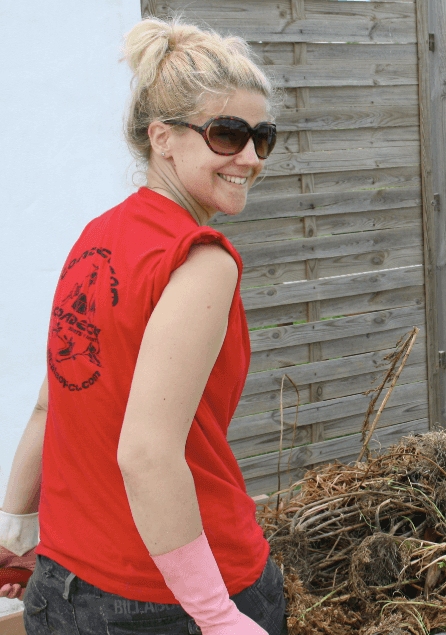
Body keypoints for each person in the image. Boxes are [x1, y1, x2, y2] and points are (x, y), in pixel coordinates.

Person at [0, 16, 287, 634]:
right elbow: (147, 453)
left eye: (262, 137)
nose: (249, 157)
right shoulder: (200, 258)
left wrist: (14, 526)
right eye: (226, 133)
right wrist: (215, 616)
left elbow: (54, 404)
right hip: (171, 601)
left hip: (61, 590)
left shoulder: (95, 239)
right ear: (163, 137)